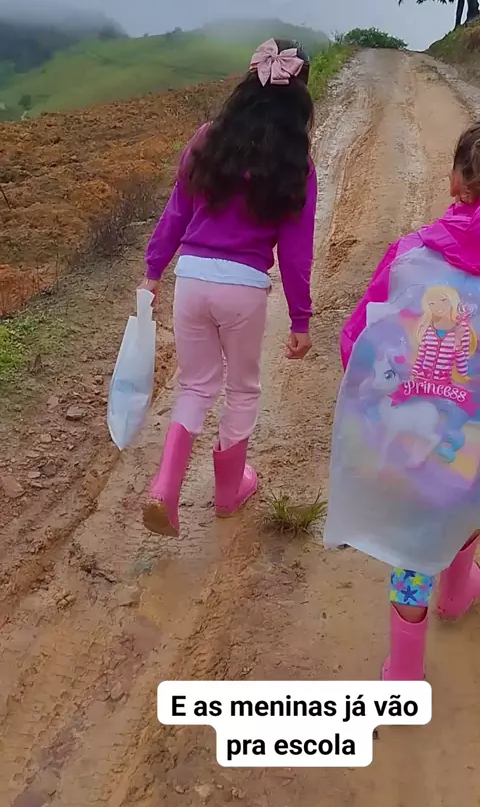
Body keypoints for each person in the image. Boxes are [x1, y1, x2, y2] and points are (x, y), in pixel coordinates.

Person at [140, 38, 317, 537]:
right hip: (243, 287)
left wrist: (153, 272)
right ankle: (228, 491)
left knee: (196, 385)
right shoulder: (296, 162)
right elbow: (296, 251)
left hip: (192, 279)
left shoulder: (206, 139)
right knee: (242, 388)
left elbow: (176, 211)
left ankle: (164, 487)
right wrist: (300, 319)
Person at [336, 122, 480, 680]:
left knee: (412, 548)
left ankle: (404, 672)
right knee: (468, 504)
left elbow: (358, 340)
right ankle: (458, 593)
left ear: (457, 182)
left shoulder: (411, 255)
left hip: (415, 431)